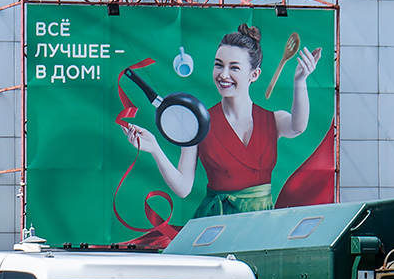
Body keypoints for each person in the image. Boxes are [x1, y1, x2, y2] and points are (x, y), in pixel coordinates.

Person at [124, 24, 320, 216]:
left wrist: (299, 81)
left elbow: (298, 127)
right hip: (216, 223)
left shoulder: (273, 120)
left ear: (255, 74)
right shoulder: (198, 123)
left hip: (261, 223)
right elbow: (183, 188)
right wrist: (154, 149)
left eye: (234, 67)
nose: (223, 75)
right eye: (219, 65)